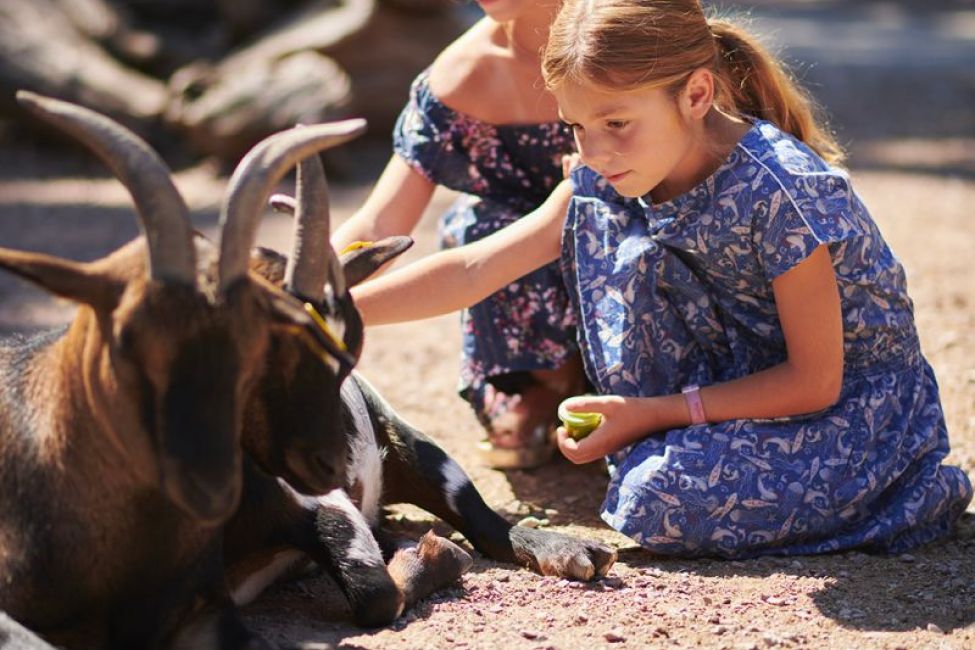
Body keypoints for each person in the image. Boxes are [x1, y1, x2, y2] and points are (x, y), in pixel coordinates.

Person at [349, 0, 974, 557]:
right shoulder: (607, 170)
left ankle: (912, 489)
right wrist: (329, 310)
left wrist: (652, 415)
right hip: (732, 377)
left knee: (655, 500)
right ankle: (667, 431)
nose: (592, 151)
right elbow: (475, 268)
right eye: (575, 127)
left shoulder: (782, 189)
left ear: (697, 95)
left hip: (853, 412)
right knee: (586, 220)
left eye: (617, 123)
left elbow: (816, 379)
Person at [331, 0, 585, 470]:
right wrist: (302, 292)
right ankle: (534, 383)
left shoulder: (631, 32)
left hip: (631, 252)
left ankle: (624, 388)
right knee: (473, 223)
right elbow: (381, 224)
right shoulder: (460, 75)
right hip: (518, 262)